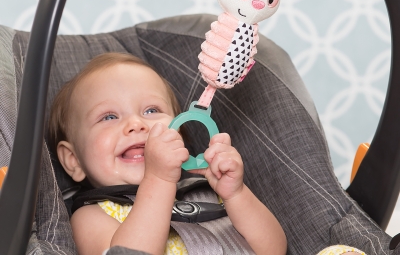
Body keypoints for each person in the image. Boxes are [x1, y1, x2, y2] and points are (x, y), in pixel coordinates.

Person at [48, 52, 365, 255]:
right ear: (73, 161)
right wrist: (159, 180)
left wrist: (236, 193)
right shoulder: (92, 216)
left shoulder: (206, 189)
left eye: (151, 110)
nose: (136, 124)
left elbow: (274, 249)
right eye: (109, 117)